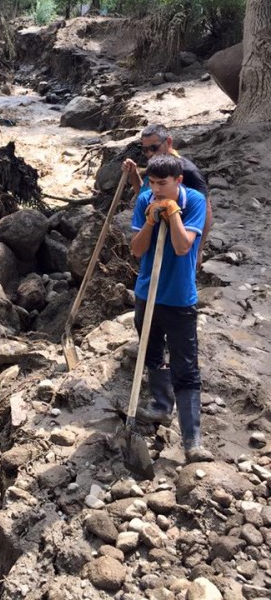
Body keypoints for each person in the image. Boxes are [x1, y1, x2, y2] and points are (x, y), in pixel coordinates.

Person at [130, 153, 213, 464]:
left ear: (178, 180)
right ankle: (162, 406)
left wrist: (173, 213)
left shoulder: (194, 202)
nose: (156, 189)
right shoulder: (145, 200)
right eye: (151, 182)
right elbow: (137, 249)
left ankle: (192, 441)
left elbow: (181, 246)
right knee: (151, 352)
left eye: (162, 184)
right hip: (147, 293)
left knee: (186, 366)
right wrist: (151, 220)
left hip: (179, 297)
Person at [122, 123, 212, 267]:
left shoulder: (188, 171)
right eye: (145, 150)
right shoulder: (154, 166)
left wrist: (199, 249)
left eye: (154, 148)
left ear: (168, 142)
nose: (150, 153)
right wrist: (133, 174)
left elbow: (206, 209)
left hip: (176, 239)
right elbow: (145, 195)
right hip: (150, 236)